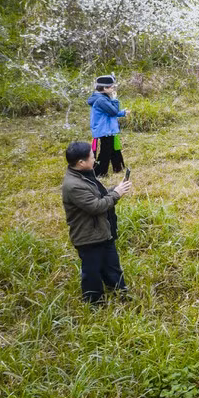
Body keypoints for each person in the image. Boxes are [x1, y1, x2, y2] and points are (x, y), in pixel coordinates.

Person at [61, 141, 132, 304]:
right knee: (91, 273)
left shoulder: (84, 174)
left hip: (101, 231)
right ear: (81, 163)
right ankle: (94, 304)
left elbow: (98, 195)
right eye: (92, 157)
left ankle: (121, 295)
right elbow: (96, 206)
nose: (95, 160)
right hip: (88, 237)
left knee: (112, 265)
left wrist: (115, 189)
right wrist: (116, 194)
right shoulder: (73, 186)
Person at [88, 75, 130, 177]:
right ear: (104, 88)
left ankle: (118, 168)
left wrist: (123, 113)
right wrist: (115, 99)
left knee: (114, 149)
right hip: (104, 130)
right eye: (111, 87)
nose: (113, 88)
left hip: (109, 129)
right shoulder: (101, 100)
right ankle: (100, 173)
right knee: (105, 152)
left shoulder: (103, 97)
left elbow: (110, 112)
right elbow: (113, 111)